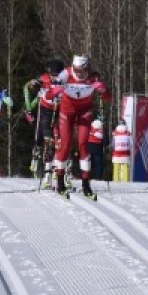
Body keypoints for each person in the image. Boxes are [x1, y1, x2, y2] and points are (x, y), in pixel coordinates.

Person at [47, 54, 110, 197]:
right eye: (76, 70)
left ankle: (86, 184)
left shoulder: (93, 77)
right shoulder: (65, 74)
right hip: (67, 111)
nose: (78, 73)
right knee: (66, 144)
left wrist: (103, 90)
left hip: (84, 112)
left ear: (86, 68)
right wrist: (55, 90)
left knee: (83, 144)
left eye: (81, 70)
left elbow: (108, 98)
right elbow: (49, 95)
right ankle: (60, 182)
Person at [23, 59, 64, 179]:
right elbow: (27, 86)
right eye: (53, 74)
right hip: (45, 109)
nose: (54, 77)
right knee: (42, 134)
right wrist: (33, 85)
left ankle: (55, 166)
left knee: (57, 138)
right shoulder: (44, 78)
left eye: (57, 75)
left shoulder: (65, 80)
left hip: (59, 110)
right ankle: (37, 154)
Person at [87, 118, 106, 182]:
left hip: (89, 147)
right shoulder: (100, 131)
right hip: (97, 148)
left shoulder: (90, 130)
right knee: (98, 163)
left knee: (90, 163)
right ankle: (98, 177)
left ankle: (88, 176)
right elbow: (101, 137)